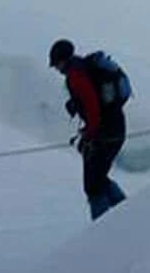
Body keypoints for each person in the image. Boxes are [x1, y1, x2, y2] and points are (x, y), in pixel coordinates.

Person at [49, 39, 127, 219]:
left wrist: (90, 133)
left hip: (105, 133)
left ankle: (104, 228)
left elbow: (92, 106)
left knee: (93, 185)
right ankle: (126, 214)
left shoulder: (76, 75)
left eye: (56, 64)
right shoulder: (83, 68)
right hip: (114, 127)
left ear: (62, 60)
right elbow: (92, 101)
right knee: (98, 179)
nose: (56, 69)